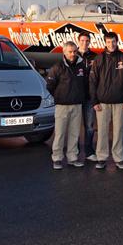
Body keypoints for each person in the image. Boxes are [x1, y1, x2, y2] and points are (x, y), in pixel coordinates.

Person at [90, 32, 123, 170]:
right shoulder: (99, 59)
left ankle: (119, 158)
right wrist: (94, 101)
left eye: (113, 41)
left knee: (118, 131)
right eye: (108, 42)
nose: (111, 44)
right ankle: (101, 157)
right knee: (102, 131)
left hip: (120, 102)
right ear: (105, 43)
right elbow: (93, 81)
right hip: (102, 103)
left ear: (117, 41)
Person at [46, 41, 88, 170]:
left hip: (77, 105)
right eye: (70, 51)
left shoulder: (81, 66)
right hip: (62, 106)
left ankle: (72, 158)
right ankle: (57, 158)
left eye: (75, 51)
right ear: (64, 52)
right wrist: (59, 97)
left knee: (74, 133)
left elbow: (85, 84)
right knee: (60, 134)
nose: (73, 54)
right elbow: (50, 86)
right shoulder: (57, 67)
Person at [77, 31, 97, 162]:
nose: (85, 43)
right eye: (82, 41)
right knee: (74, 126)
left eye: (87, 41)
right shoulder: (72, 54)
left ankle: (89, 151)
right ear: (78, 41)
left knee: (89, 126)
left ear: (90, 42)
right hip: (76, 97)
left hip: (90, 97)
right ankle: (75, 151)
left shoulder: (95, 57)